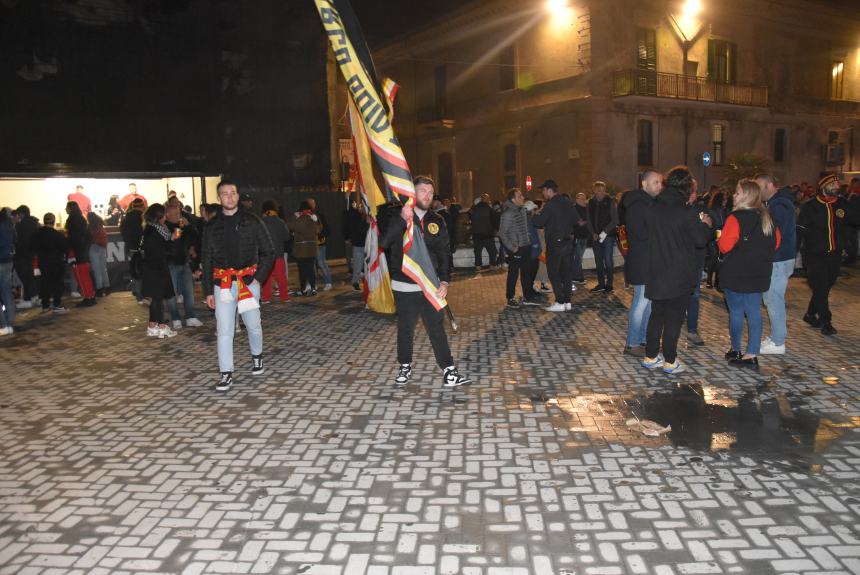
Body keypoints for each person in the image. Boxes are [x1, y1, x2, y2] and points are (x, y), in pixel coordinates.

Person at [380, 175, 471, 388]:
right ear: (413, 192)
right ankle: (405, 365)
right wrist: (403, 218)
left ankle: (449, 371)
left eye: (431, 192)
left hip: (431, 285)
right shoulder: (397, 215)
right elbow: (384, 242)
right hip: (405, 284)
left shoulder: (437, 221)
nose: (428, 196)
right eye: (423, 191)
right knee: (406, 328)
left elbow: (444, 254)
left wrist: (445, 281)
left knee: (436, 328)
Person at [202, 180, 275, 391]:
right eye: (225, 194)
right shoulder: (210, 227)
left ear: (238, 195)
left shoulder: (252, 221)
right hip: (222, 284)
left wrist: (258, 278)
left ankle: (257, 356)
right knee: (224, 329)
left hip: (248, 281)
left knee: (253, 324)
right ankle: (226, 373)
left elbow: (269, 252)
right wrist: (208, 291)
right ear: (219, 198)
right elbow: (206, 260)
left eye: (233, 193)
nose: (230, 197)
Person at [642, 166, 711, 374]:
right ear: (687, 187)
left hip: (657, 270)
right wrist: (706, 224)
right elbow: (700, 241)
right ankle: (670, 361)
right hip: (679, 274)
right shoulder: (686, 212)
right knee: (674, 318)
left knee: (657, 315)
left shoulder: (653, 208)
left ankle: (650, 356)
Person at [718, 179, 780, 368]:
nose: (734, 195)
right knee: (754, 311)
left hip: (736, 273)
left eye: (737, 192)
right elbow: (776, 243)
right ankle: (752, 353)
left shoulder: (735, 218)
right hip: (759, 273)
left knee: (736, 311)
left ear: (745, 195)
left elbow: (724, 246)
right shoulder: (767, 217)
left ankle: (736, 349)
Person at [797, 174, 857, 335]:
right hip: (814, 255)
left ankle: (810, 314)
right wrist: (794, 251)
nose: (837, 185)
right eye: (833, 183)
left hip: (835, 254)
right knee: (821, 287)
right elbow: (799, 230)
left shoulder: (842, 204)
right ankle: (826, 321)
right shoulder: (810, 206)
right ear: (824, 186)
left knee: (824, 287)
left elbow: (855, 220)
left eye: (838, 182)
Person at [622, 169, 662, 357]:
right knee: (641, 303)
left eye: (660, 182)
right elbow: (641, 233)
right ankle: (632, 343)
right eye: (656, 182)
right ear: (644, 184)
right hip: (642, 261)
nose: (659, 186)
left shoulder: (650, 204)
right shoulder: (638, 205)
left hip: (650, 260)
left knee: (649, 304)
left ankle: (643, 340)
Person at [756, 174, 796, 355]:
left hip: (779, 259)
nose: (757, 191)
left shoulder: (780, 204)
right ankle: (775, 337)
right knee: (771, 298)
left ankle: (778, 341)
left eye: (760, 187)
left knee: (773, 299)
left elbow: (773, 230)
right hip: (779, 257)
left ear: (770, 185)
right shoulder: (776, 203)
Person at [532, 179, 576, 312]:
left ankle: (559, 302)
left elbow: (539, 222)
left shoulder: (550, 205)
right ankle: (567, 302)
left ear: (549, 190)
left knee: (554, 273)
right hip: (568, 241)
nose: (543, 193)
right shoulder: (567, 202)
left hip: (555, 244)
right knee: (567, 273)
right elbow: (576, 219)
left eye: (543, 191)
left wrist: (534, 214)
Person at [141, 204, 178, 340]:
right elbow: (161, 251)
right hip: (157, 269)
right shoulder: (154, 231)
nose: (165, 217)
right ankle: (162, 327)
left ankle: (152, 326)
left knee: (155, 298)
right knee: (158, 298)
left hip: (152, 268)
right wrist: (172, 241)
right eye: (163, 215)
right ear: (159, 217)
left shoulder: (151, 229)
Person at [164, 204, 203, 328]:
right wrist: (181, 226)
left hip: (184, 262)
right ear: (167, 215)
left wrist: (189, 226)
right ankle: (175, 318)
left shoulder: (182, 226)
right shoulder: (164, 227)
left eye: (179, 214)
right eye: (175, 214)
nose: (178, 216)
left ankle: (190, 316)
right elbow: (175, 238)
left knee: (188, 292)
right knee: (171, 293)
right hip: (171, 263)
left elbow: (195, 237)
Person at [499, 188, 534, 308]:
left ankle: (527, 296)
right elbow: (503, 234)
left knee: (527, 272)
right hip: (516, 248)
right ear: (513, 200)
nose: (522, 197)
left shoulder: (522, 211)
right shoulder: (508, 213)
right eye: (520, 196)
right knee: (513, 273)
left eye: (522, 195)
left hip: (526, 246)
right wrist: (512, 248)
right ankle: (510, 297)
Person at [685, 180, 708, 347]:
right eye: (691, 191)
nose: (694, 194)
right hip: (680, 260)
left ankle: (692, 330)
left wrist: (707, 226)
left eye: (695, 191)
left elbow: (709, 231)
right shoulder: (677, 210)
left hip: (697, 259)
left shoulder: (700, 209)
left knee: (694, 296)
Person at [31, 213, 69, 313]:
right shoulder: (57, 235)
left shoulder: (37, 234)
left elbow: (32, 247)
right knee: (57, 284)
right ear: (53, 221)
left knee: (45, 284)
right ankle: (56, 304)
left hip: (43, 262)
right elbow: (65, 247)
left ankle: (45, 305)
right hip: (56, 262)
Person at [586, 181, 619, 293]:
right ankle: (601, 284)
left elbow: (615, 220)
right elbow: (589, 220)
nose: (601, 192)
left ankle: (609, 284)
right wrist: (593, 233)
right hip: (595, 236)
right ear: (594, 191)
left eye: (603, 190)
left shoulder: (610, 202)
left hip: (608, 236)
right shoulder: (590, 202)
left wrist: (604, 232)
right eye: (598, 190)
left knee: (608, 260)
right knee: (598, 260)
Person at [65, 201, 96, 307]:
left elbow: (72, 238)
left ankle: (87, 297)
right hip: (84, 252)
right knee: (86, 276)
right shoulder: (82, 219)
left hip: (78, 253)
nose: (66, 209)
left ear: (70, 208)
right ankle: (91, 296)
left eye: (67, 207)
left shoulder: (72, 220)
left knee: (81, 277)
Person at [260, 199, 291, 303]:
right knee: (281, 277)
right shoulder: (280, 221)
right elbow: (286, 237)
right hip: (278, 253)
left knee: (266, 277)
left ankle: (265, 297)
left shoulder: (261, 221)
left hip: (265, 255)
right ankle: (285, 296)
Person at [121, 198, 146, 304]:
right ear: (142, 206)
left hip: (131, 248)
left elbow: (123, 232)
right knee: (143, 271)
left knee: (134, 271)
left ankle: (137, 294)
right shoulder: (144, 217)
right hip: (142, 248)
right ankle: (143, 294)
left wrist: (130, 245)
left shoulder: (126, 217)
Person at [292, 202, 320, 296]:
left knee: (302, 271)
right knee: (311, 269)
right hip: (312, 249)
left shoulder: (299, 219)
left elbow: (291, 228)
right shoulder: (313, 219)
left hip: (301, 250)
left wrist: (295, 218)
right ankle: (313, 288)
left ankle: (303, 289)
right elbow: (319, 230)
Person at [13, 205, 39, 308]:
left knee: (24, 277)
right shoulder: (35, 223)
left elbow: (16, 241)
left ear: (21, 214)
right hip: (32, 254)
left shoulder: (20, 225)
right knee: (31, 276)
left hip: (21, 255)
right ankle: (34, 297)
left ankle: (27, 299)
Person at [307, 198, 332, 291]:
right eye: (309, 204)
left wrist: (321, 235)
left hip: (320, 243)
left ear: (315, 205)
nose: (310, 205)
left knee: (321, 263)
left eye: (312, 203)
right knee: (311, 265)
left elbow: (327, 229)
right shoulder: (305, 216)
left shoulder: (319, 215)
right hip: (310, 244)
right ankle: (313, 284)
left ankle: (328, 282)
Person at [345, 202, 370, 291]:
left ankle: (368, 283)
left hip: (368, 245)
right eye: (361, 207)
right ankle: (355, 282)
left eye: (363, 208)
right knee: (358, 265)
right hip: (359, 245)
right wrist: (367, 223)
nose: (362, 209)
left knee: (368, 266)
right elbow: (359, 231)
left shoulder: (369, 217)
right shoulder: (356, 217)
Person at [87, 212, 110, 297]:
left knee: (97, 270)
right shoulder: (101, 225)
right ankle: (107, 287)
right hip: (102, 247)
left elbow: (89, 238)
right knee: (103, 269)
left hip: (94, 247)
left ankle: (99, 289)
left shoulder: (90, 227)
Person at [0, 208, 15, 335]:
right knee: (7, 292)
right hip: (8, 261)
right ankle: (9, 324)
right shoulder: (10, 227)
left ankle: (3, 325)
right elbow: (15, 241)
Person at [572, 193, 589, 284]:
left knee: (579, 257)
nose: (584, 201)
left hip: (585, 236)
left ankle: (576, 275)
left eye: (584, 199)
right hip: (577, 236)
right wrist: (587, 220)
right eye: (581, 199)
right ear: (577, 199)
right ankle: (578, 276)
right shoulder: (574, 208)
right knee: (578, 257)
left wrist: (585, 221)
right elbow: (580, 223)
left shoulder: (586, 208)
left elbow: (584, 221)